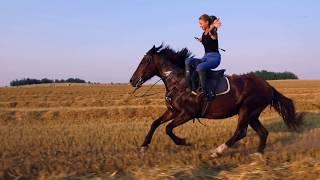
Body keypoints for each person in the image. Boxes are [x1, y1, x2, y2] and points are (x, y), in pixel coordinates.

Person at [185, 14, 222, 100]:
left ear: (207, 22)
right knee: (188, 60)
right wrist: (201, 40)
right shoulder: (203, 34)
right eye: (199, 23)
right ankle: (191, 87)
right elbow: (206, 40)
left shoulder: (213, 32)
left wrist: (213, 26)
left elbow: (212, 32)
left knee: (200, 67)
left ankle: (207, 93)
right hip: (205, 57)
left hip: (214, 58)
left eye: (201, 23)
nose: (200, 25)